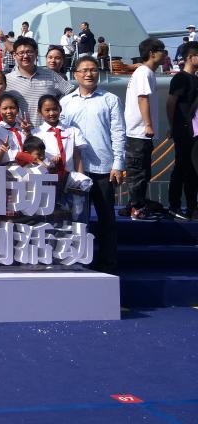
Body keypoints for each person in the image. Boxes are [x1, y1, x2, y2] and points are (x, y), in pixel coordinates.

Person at [61, 56, 125, 273]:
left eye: (93, 69)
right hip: (76, 170)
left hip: (104, 169)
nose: (89, 74)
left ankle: (109, 265)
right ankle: (79, 263)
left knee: (107, 219)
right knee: (78, 220)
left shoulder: (110, 100)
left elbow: (118, 133)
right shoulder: (66, 102)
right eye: (84, 70)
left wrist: (118, 163)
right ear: (75, 74)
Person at [124, 38, 166, 221]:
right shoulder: (144, 72)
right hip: (139, 132)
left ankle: (135, 203)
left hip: (142, 133)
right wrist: (148, 125)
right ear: (152, 53)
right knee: (138, 172)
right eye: (163, 50)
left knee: (142, 171)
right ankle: (137, 209)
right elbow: (142, 98)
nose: (165, 54)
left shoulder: (145, 72)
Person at [5, 37, 73, 127]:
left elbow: (70, 92)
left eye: (29, 52)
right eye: (21, 53)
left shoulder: (51, 75)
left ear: (36, 53)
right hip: (20, 132)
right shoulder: (7, 80)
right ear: (14, 55)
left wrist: (61, 112)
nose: (25, 56)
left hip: (48, 132)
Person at [166, 41, 198, 220]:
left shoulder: (195, 79)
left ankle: (192, 206)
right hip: (184, 129)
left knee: (192, 169)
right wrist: (173, 126)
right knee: (182, 167)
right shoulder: (181, 79)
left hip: (194, 131)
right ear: (191, 57)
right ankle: (175, 205)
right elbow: (171, 103)